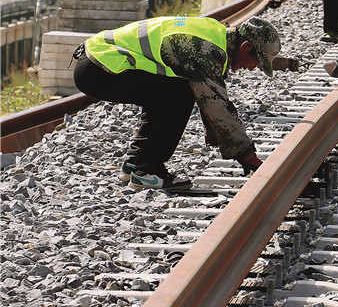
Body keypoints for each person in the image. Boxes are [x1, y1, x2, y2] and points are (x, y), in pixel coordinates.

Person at [72, 15, 281, 191]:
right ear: (246, 46)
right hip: (101, 68)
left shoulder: (215, 33)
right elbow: (216, 106)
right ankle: (148, 169)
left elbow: (213, 104)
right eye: (257, 62)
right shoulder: (207, 49)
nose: (253, 68)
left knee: (167, 92)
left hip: (96, 61)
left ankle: (136, 163)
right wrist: (246, 154)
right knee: (180, 94)